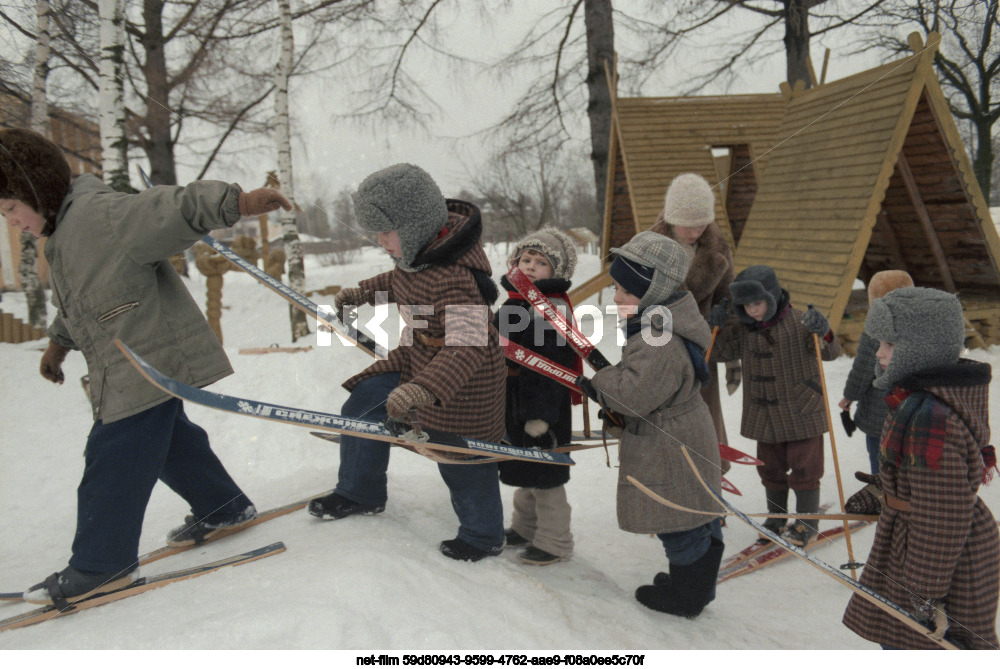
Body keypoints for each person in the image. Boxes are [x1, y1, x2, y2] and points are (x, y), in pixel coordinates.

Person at [0, 127, 291, 606]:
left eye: (12, 208)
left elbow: (170, 208)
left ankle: (102, 564)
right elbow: (80, 300)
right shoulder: (65, 235)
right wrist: (58, 344)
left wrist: (235, 202)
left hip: (144, 362)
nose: (11, 221)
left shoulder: (100, 215)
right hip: (129, 366)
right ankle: (223, 507)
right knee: (172, 442)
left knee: (113, 459)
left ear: (37, 190)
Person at [307, 163, 507, 562]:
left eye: (386, 231)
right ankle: (359, 491)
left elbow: (465, 347)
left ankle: (483, 536)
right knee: (364, 402)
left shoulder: (456, 277)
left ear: (414, 224)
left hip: (463, 376)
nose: (380, 241)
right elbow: (398, 279)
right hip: (417, 355)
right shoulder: (418, 251)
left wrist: (422, 390)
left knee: (459, 456)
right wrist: (361, 292)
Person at [576, 230, 724, 618]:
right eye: (615, 287)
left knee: (679, 517)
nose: (616, 297)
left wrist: (598, 384)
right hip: (680, 431)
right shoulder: (663, 319)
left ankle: (687, 597)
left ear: (654, 292)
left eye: (626, 291)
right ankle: (694, 585)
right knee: (694, 511)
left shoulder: (659, 336)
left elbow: (632, 397)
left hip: (671, 442)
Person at [842, 287, 999, 649]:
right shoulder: (923, 401)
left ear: (921, 349)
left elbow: (942, 517)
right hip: (922, 547)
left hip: (937, 562)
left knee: (918, 644)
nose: (879, 353)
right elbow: (927, 483)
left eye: (890, 345)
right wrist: (887, 490)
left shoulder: (930, 421)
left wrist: (921, 591)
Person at [707, 265, 841, 546]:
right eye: (746, 306)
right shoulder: (742, 330)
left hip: (801, 409)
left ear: (773, 296)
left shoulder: (801, 321)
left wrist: (824, 331)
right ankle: (776, 518)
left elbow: (830, 352)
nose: (753, 310)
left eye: (757, 303)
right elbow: (719, 354)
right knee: (770, 469)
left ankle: (805, 522)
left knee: (805, 468)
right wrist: (715, 328)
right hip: (764, 413)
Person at [496, 227, 581, 565]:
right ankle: (525, 527)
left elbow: (552, 367)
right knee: (527, 470)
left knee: (546, 477)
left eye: (541, 262)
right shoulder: (517, 301)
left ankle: (555, 540)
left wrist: (540, 417)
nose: (530, 265)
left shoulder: (550, 308)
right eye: (526, 258)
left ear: (555, 273)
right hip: (517, 400)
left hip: (542, 407)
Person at [649, 173, 739, 472]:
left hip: (703, 348)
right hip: (661, 350)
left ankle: (712, 485)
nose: (694, 232)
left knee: (705, 420)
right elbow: (630, 301)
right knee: (667, 424)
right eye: (688, 224)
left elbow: (729, 295)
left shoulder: (716, 248)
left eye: (701, 224)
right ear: (673, 218)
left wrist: (724, 315)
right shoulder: (650, 247)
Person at [839, 270, 915, 475]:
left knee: (880, 457)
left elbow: (863, 370)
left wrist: (849, 397)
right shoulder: (921, 328)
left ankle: (883, 495)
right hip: (914, 409)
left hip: (880, 409)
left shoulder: (875, 331)